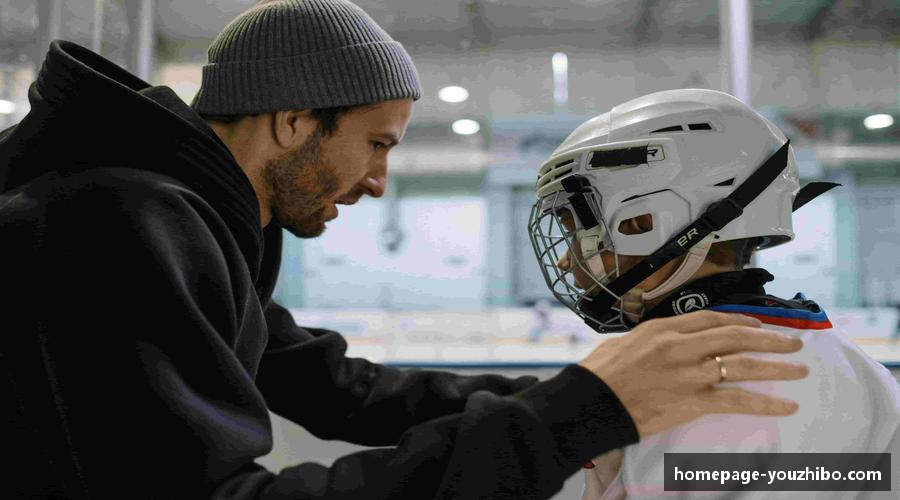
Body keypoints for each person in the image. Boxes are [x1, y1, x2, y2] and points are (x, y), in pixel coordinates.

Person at [0, 1, 808, 498]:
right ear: (293, 122)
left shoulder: (186, 215)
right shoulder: (114, 222)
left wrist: (580, 394)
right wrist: (576, 417)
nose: (381, 181)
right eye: (376, 144)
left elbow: (339, 389)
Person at [527, 88, 900, 499]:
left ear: (640, 222)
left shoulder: (681, 387)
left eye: (572, 227)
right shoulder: (861, 368)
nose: (565, 260)